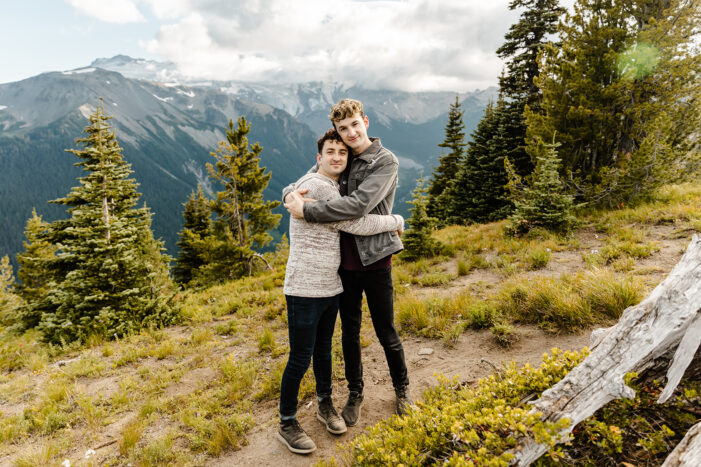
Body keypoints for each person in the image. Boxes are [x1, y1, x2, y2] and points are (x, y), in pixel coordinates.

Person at [283, 98, 412, 429]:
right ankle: (356, 394)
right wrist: (289, 196)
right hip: (344, 265)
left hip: (376, 257)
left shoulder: (385, 161)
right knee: (349, 333)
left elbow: (357, 206)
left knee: (386, 331)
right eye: (343, 128)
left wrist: (306, 210)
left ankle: (402, 390)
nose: (350, 133)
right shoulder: (343, 155)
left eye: (355, 125)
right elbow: (307, 181)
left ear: (365, 121)